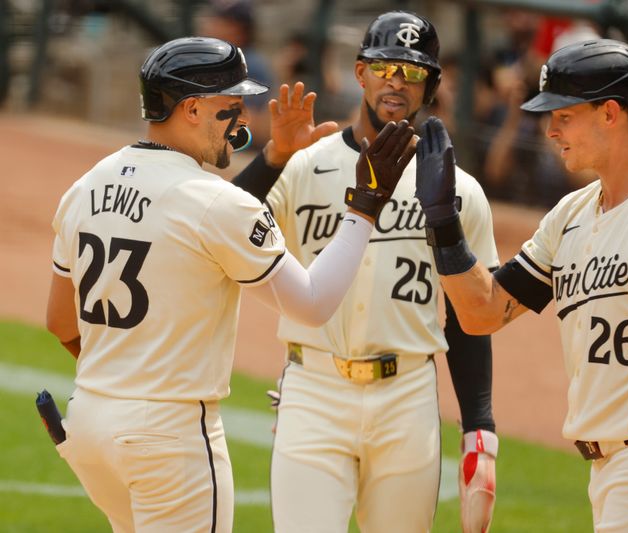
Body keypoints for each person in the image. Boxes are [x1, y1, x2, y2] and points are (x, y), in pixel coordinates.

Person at [44, 36, 414, 533]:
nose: (244, 122)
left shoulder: (84, 186)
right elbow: (311, 304)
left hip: (89, 423)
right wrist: (365, 204)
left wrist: (276, 155)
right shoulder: (212, 200)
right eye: (232, 107)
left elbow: (59, 321)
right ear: (192, 108)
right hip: (169, 439)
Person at [415, 39, 628, 533]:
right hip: (615, 470)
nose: (550, 130)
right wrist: (443, 225)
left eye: (564, 116)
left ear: (610, 113)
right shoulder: (572, 215)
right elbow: (483, 312)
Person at [233, 11, 500, 533]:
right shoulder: (304, 164)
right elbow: (224, 225)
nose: (397, 81)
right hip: (314, 390)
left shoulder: (457, 189)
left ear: (432, 86)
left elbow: (470, 314)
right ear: (360, 74)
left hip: (408, 400)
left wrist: (479, 430)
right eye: (385, 67)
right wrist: (273, 156)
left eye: (413, 71)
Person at [198, 0, 276, 150]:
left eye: (220, 21)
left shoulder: (249, 64)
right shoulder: (213, 60)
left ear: (239, 29)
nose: (210, 25)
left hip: (240, 152)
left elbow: (249, 123)